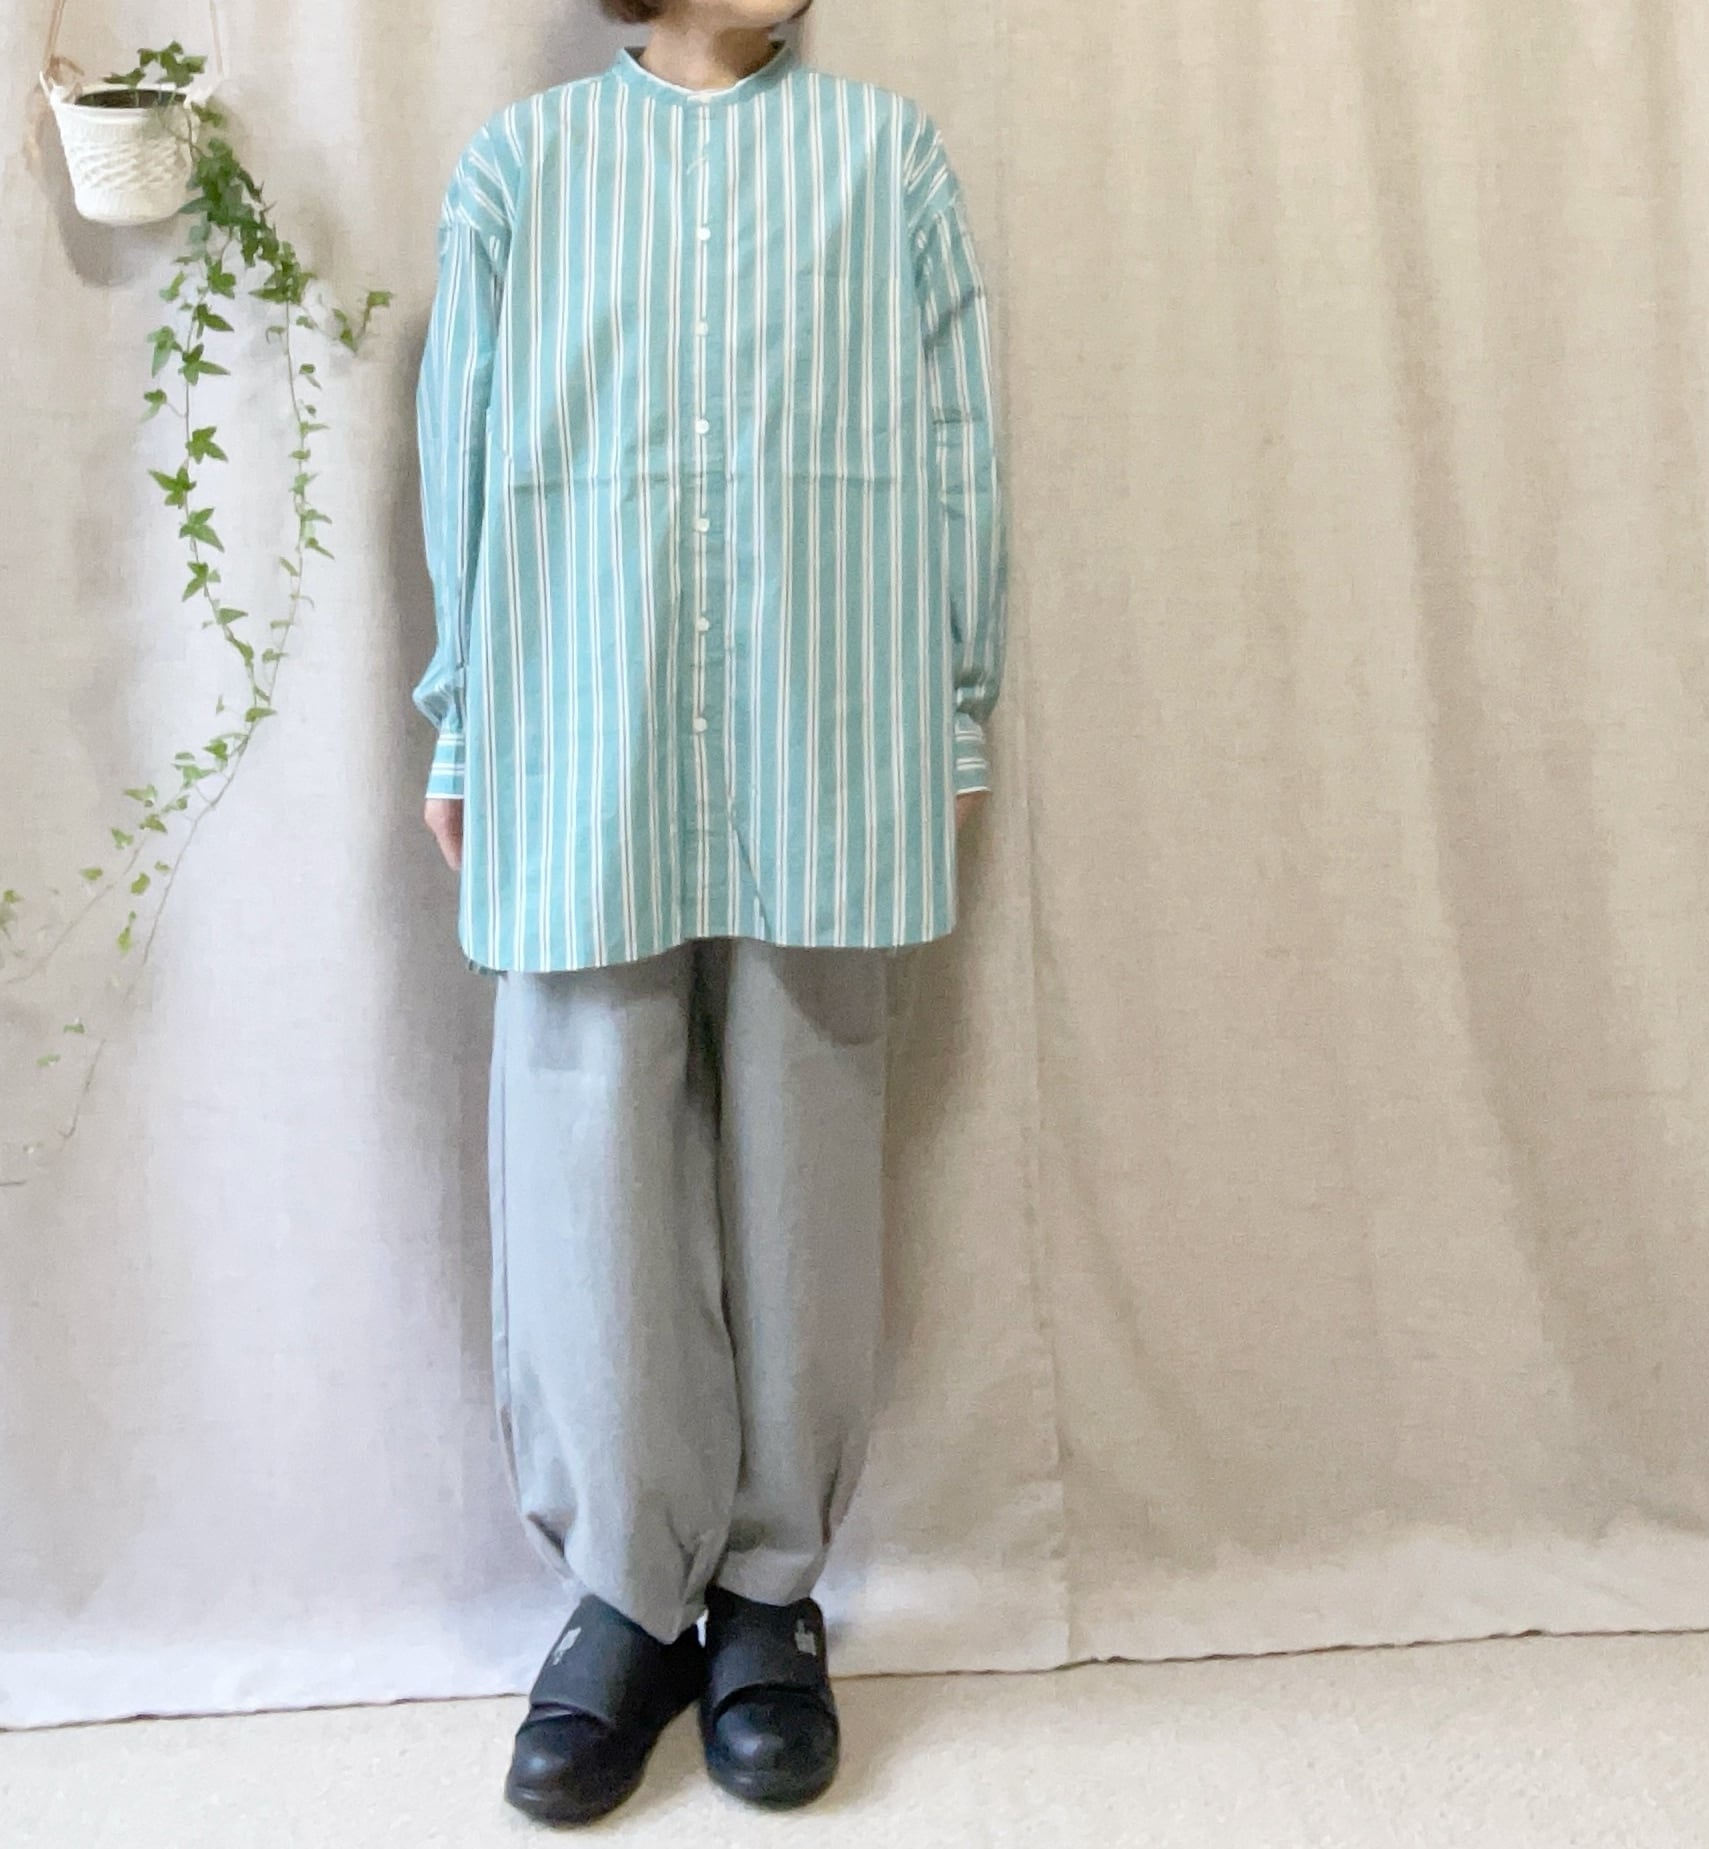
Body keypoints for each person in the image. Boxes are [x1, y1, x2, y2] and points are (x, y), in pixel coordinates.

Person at [413, 0, 1007, 1825]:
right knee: (584, 1147)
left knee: (805, 1142)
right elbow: (462, 445)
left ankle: (765, 1596)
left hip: (826, 719)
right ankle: (622, 1595)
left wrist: (955, 706)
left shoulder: (885, 160)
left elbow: (954, 440)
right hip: (575, 719)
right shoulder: (519, 171)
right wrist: (461, 715)